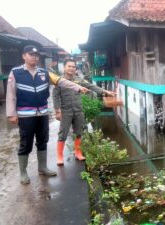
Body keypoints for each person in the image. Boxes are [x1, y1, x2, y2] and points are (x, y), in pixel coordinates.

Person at [6, 45, 89, 185]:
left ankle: (43, 167)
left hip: (42, 113)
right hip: (25, 115)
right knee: (26, 143)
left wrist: (78, 87)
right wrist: (11, 114)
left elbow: (61, 81)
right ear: (24, 56)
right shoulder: (16, 72)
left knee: (42, 141)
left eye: (36, 55)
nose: (34, 57)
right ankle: (23, 172)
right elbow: (11, 94)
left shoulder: (44, 72)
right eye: (30, 54)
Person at [53, 59, 114, 166]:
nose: (71, 68)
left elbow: (91, 86)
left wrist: (105, 91)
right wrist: (57, 111)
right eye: (69, 66)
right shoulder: (59, 81)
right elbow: (55, 96)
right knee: (63, 133)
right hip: (65, 110)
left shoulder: (79, 80)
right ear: (64, 67)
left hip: (78, 110)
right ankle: (59, 156)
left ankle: (78, 152)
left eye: (73, 67)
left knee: (79, 131)